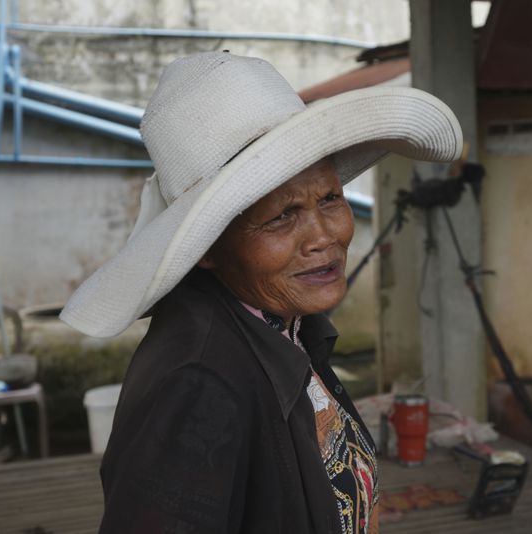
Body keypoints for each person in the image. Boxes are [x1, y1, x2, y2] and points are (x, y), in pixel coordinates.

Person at [60, 51, 462, 533]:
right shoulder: (197, 386)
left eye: (330, 198)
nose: (324, 236)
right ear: (208, 246)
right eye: (281, 216)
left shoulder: (286, 327)